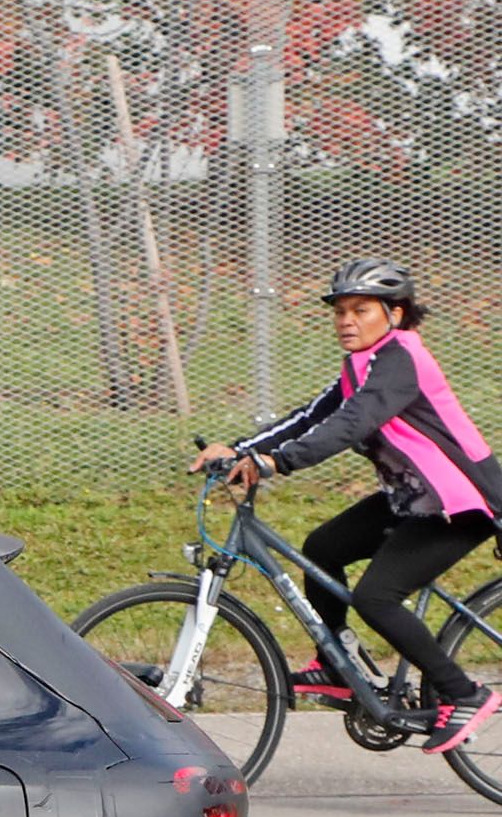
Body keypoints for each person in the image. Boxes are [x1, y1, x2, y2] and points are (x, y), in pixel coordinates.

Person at [192, 259, 502, 754]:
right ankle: (338, 663)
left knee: (377, 597)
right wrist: (242, 449)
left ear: (395, 315)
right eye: (340, 311)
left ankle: (464, 693)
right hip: (413, 496)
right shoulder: (364, 363)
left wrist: (278, 464)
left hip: (457, 500)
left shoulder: (401, 359)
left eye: (360, 310)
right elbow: (311, 416)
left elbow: (351, 424)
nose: (346, 321)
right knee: (322, 548)